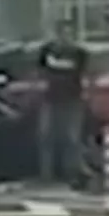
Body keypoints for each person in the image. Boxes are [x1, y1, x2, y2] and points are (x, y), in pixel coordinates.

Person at [36, 20, 90, 186]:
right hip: (51, 98)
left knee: (71, 138)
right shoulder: (46, 50)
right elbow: (41, 69)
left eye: (68, 33)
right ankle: (46, 175)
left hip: (72, 99)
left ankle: (71, 173)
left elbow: (76, 69)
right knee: (46, 136)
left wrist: (53, 64)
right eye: (63, 33)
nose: (65, 37)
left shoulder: (79, 53)